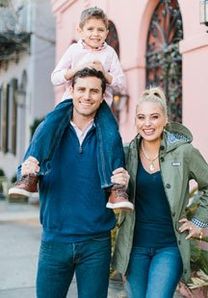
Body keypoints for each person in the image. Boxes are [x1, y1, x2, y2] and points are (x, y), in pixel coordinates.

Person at [17, 68, 130, 298]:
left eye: (94, 91)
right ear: (71, 90)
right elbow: (27, 167)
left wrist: (125, 180)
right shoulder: (49, 131)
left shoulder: (109, 136)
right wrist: (26, 170)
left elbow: (122, 178)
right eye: (82, 89)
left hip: (95, 243)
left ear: (102, 95)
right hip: (55, 240)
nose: (87, 96)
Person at [8, 6, 133, 210]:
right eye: (90, 29)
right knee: (47, 126)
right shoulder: (75, 50)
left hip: (100, 104)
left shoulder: (109, 54)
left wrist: (105, 73)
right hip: (70, 101)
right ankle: (29, 175)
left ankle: (116, 188)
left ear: (107, 33)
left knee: (111, 135)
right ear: (80, 30)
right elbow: (55, 77)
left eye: (100, 30)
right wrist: (73, 71)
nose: (95, 34)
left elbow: (120, 84)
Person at [111, 87, 208, 298]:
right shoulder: (127, 153)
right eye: (141, 117)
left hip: (169, 247)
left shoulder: (184, 152)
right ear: (135, 121)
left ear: (165, 120)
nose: (147, 123)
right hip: (134, 248)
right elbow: (108, 185)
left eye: (154, 117)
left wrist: (198, 222)